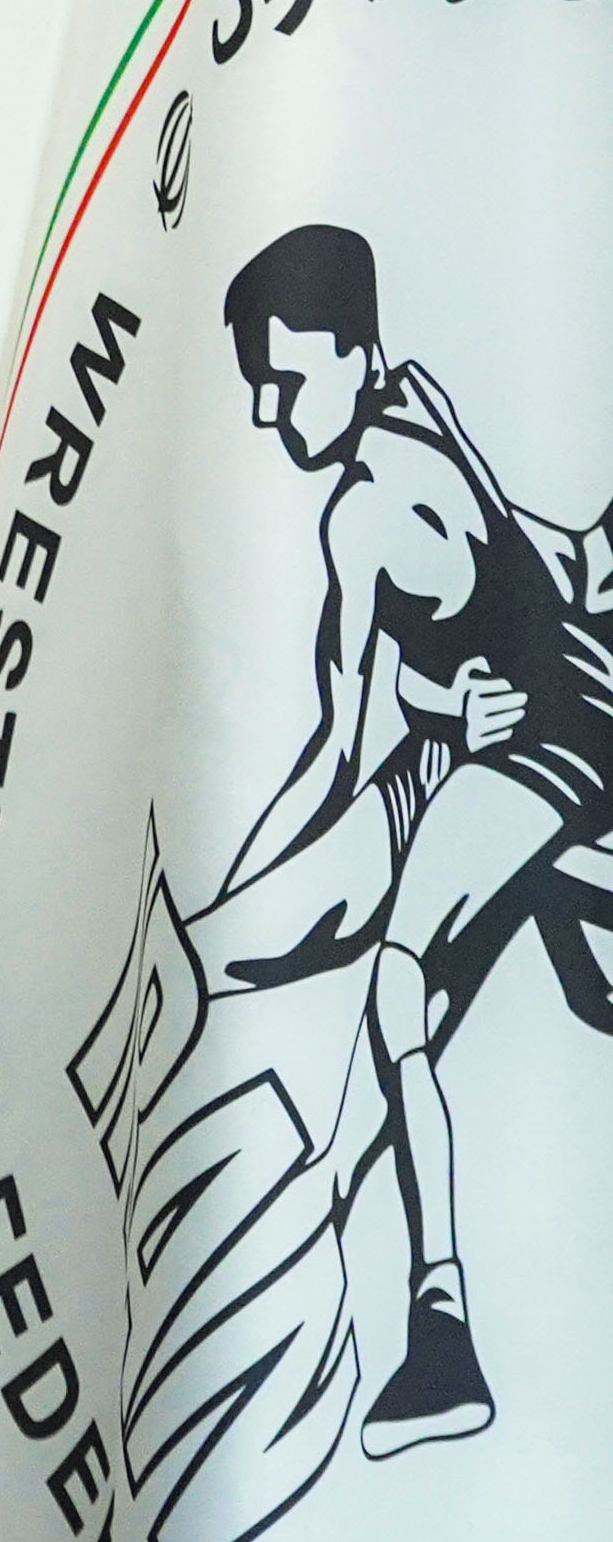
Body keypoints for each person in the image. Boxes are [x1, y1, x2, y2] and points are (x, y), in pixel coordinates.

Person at [182, 219, 613, 1460]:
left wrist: (241, 885)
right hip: (552, 725)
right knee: (573, 988)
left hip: (544, 748)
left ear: (353, 354)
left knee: (397, 988)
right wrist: (444, 700)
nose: (267, 409)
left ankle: (440, 1334)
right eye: (256, 384)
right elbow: (497, 574)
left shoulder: (358, 512)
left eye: (284, 377)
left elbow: (340, 749)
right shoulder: (422, 405)